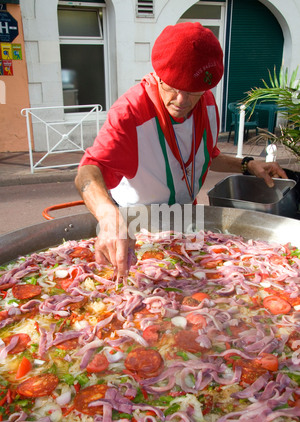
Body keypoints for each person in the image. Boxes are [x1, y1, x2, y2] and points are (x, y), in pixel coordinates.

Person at [75, 22, 287, 278]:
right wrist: (108, 216)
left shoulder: (207, 103)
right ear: (158, 75)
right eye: (172, 87)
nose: (182, 101)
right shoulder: (130, 113)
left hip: (187, 223)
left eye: (192, 91)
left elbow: (207, 156)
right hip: (137, 230)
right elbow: (87, 172)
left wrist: (248, 164)